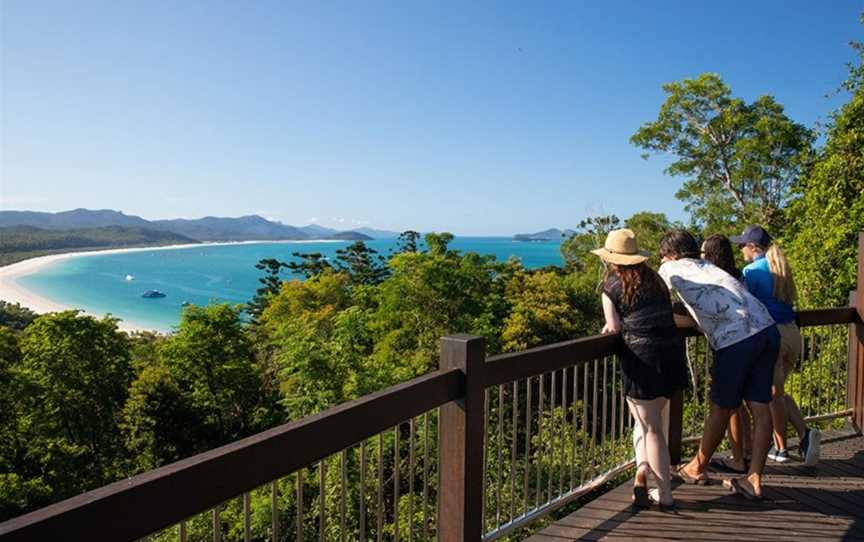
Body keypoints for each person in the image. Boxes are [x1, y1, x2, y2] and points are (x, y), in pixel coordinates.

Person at [658, 229, 779, 500]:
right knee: (760, 407)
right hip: (767, 329)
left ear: (672, 254)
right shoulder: (708, 266)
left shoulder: (670, 268)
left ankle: (697, 467)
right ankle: (754, 478)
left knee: (722, 407)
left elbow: (651, 302)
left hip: (736, 339)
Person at [593, 228, 688, 510]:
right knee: (649, 424)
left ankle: (666, 494)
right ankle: (642, 472)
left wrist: (608, 330)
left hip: (642, 360)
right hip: (670, 355)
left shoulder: (610, 285)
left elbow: (613, 327)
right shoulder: (656, 279)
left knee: (651, 429)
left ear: (612, 258)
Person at [731, 225, 821, 466]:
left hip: (774, 336)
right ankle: (802, 436)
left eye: (742, 245)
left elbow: (742, 303)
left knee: (771, 395)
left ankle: (786, 446)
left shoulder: (751, 271)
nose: (740, 250)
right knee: (776, 393)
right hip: (792, 333)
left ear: (752, 248)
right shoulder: (779, 265)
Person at [700, 234, 751, 473]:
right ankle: (745, 452)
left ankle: (737, 458)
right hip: (749, 338)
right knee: (741, 405)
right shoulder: (740, 275)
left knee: (728, 405)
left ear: (710, 255)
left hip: (729, 343)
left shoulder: (713, 280)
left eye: (702, 253)